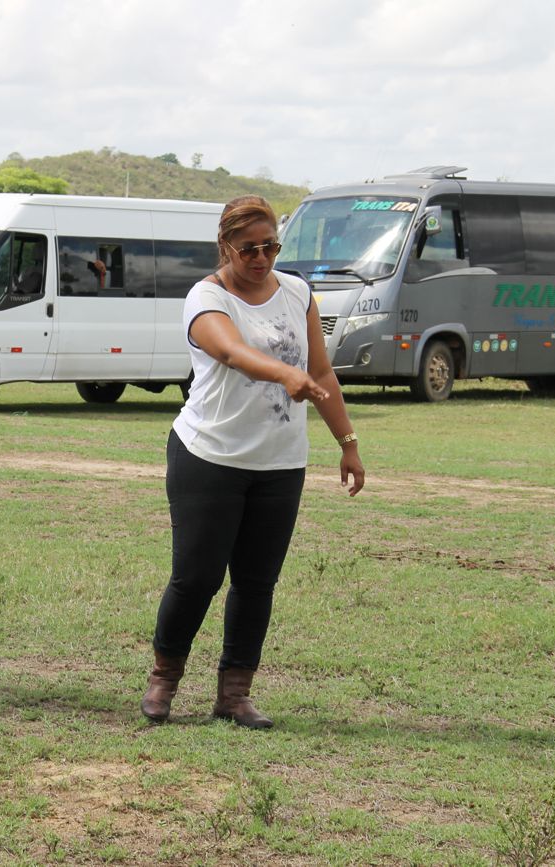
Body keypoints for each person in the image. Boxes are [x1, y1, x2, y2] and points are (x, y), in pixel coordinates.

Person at [141, 194, 365, 727]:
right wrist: (282, 374)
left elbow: (322, 373)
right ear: (226, 247)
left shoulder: (297, 293)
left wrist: (348, 442)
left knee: (256, 581)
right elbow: (228, 351)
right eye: (248, 249)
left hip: (280, 463)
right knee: (196, 577)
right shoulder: (206, 297)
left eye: (269, 247)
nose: (261, 258)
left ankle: (234, 694)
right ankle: (163, 681)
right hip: (209, 455)